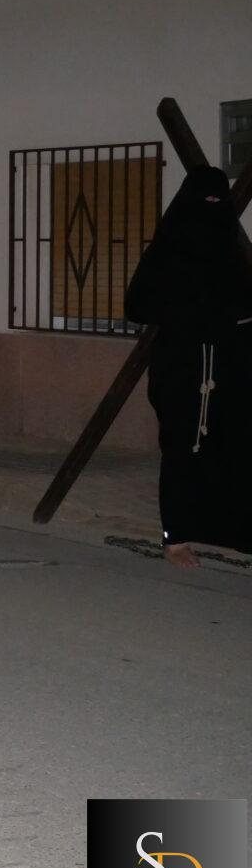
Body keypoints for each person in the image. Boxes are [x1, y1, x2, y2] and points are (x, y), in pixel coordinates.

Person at [124, 166, 252, 569]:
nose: (210, 211)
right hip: (180, 366)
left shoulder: (230, 250)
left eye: (218, 201)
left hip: (229, 366)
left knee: (232, 449)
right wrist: (187, 312)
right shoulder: (166, 251)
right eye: (204, 201)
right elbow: (137, 305)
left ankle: (232, 533)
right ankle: (175, 538)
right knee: (182, 448)